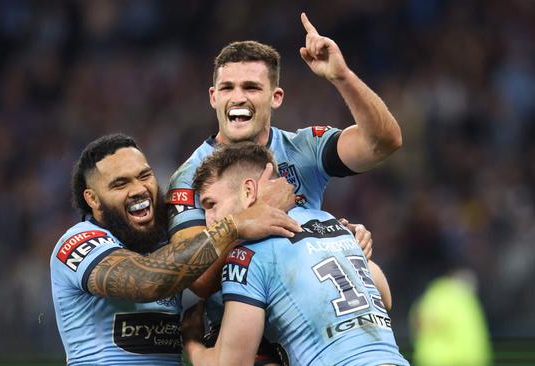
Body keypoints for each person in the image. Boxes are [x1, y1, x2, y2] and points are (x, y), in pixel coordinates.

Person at [167, 12, 401, 339]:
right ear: (213, 97)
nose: (238, 98)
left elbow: (384, 142)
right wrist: (255, 215)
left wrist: (342, 76)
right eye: (228, 88)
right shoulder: (190, 176)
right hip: (246, 340)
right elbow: (197, 279)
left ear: (275, 97)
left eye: (251, 87)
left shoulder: (303, 149)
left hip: (313, 327)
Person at [50, 134, 300, 365]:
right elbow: (146, 281)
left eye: (145, 175)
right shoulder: (77, 244)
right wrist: (234, 225)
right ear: (92, 199)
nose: (139, 189)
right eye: (120, 184)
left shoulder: (165, 240)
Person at [181, 143, 409, 366]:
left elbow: (232, 363)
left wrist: (192, 343)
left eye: (211, 204)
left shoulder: (246, 255)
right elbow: (384, 296)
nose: (208, 221)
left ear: (249, 191)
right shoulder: (330, 222)